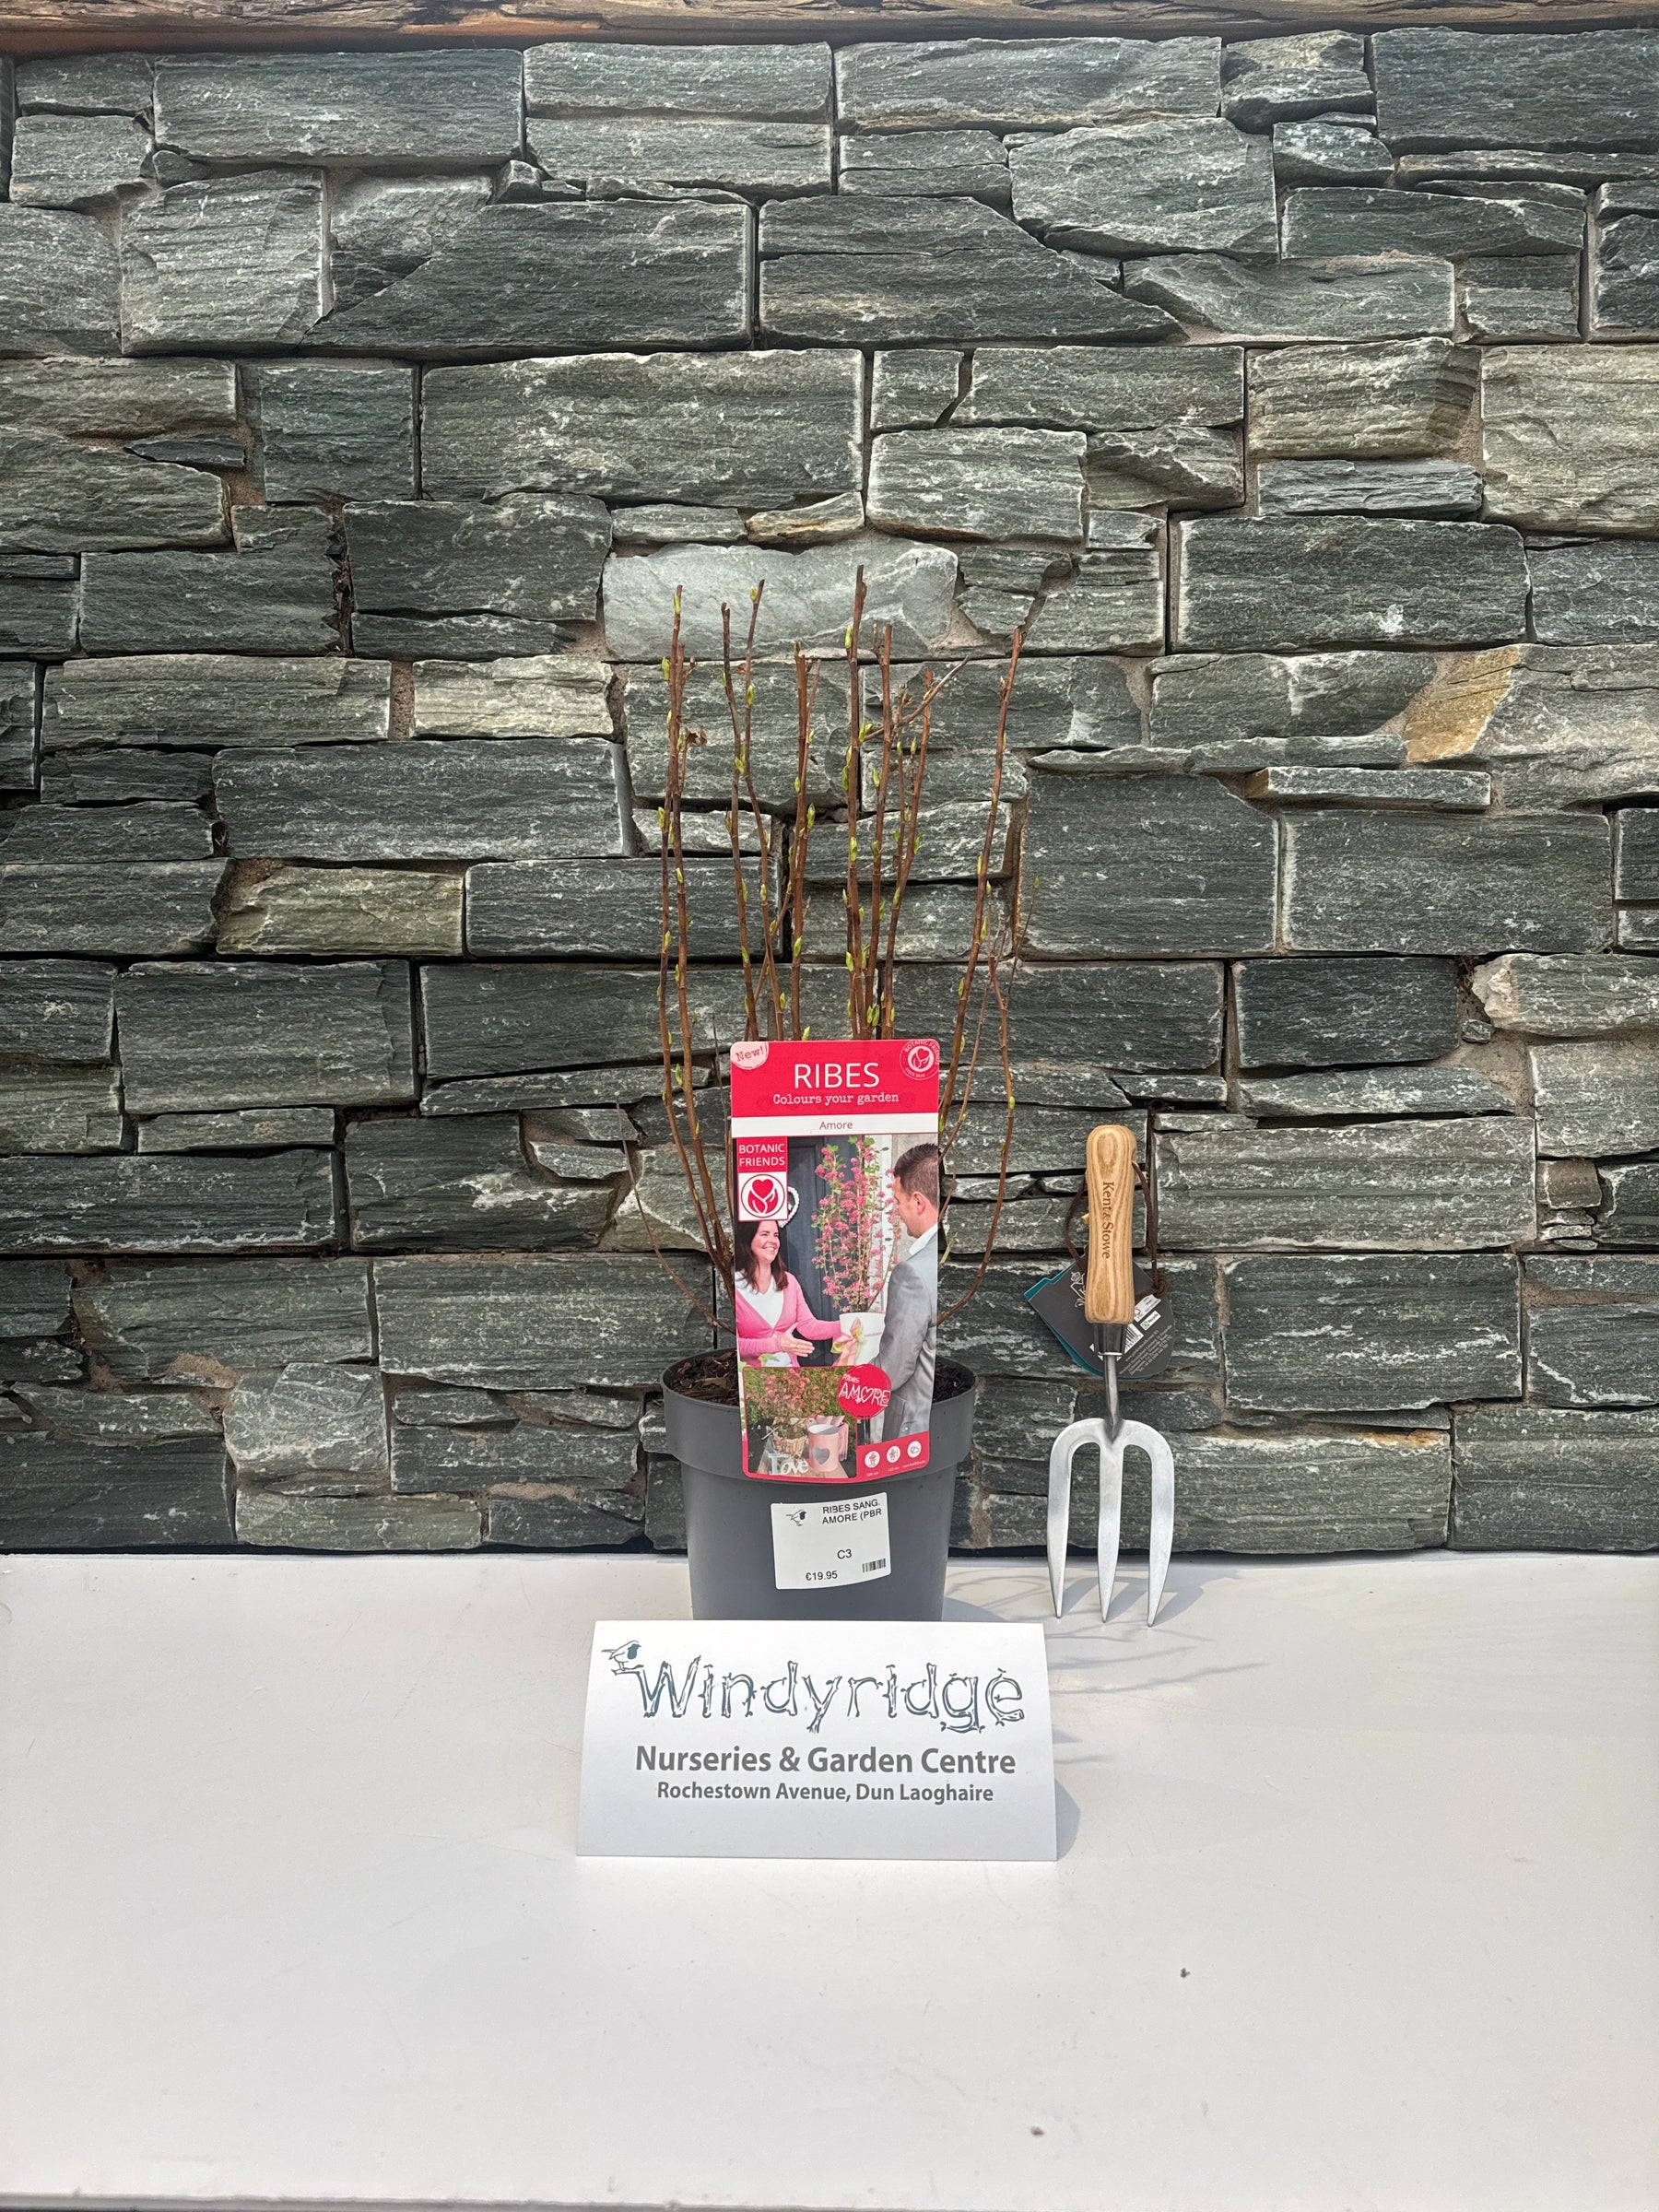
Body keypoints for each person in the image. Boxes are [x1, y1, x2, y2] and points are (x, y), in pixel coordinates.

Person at [870, 1142, 939, 1443]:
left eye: (898, 1201)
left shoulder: (912, 1273)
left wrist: (841, 1384)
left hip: (915, 1429)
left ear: (919, 1202)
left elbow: (892, 1369)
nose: (896, 1212)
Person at [732, 1218, 841, 1368]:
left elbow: (808, 1325)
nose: (773, 1241)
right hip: (751, 1377)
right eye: (765, 1234)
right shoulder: (735, 1286)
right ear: (748, 1239)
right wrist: (776, 1344)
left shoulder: (789, 1281)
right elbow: (735, 1347)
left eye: (776, 1235)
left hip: (790, 1375)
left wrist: (846, 1325)